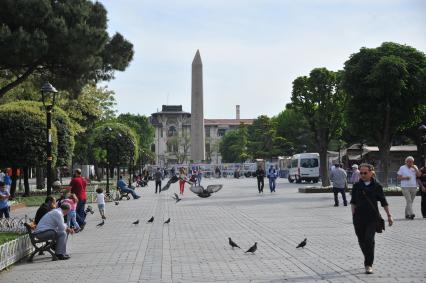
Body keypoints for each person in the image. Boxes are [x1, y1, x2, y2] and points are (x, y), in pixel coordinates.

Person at [350, 163, 393, 274]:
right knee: (361, 241)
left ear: (371, 173)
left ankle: (368, 264)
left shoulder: (377, 186)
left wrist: (389, 216)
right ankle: (368, 257)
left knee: (369, 240)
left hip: (372, 218)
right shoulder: (356, 186)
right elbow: (353, 202)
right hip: (359, 218)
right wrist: (353, 215)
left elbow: (383, 202)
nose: (363, 175)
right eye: (361, 173)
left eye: (365, 173)